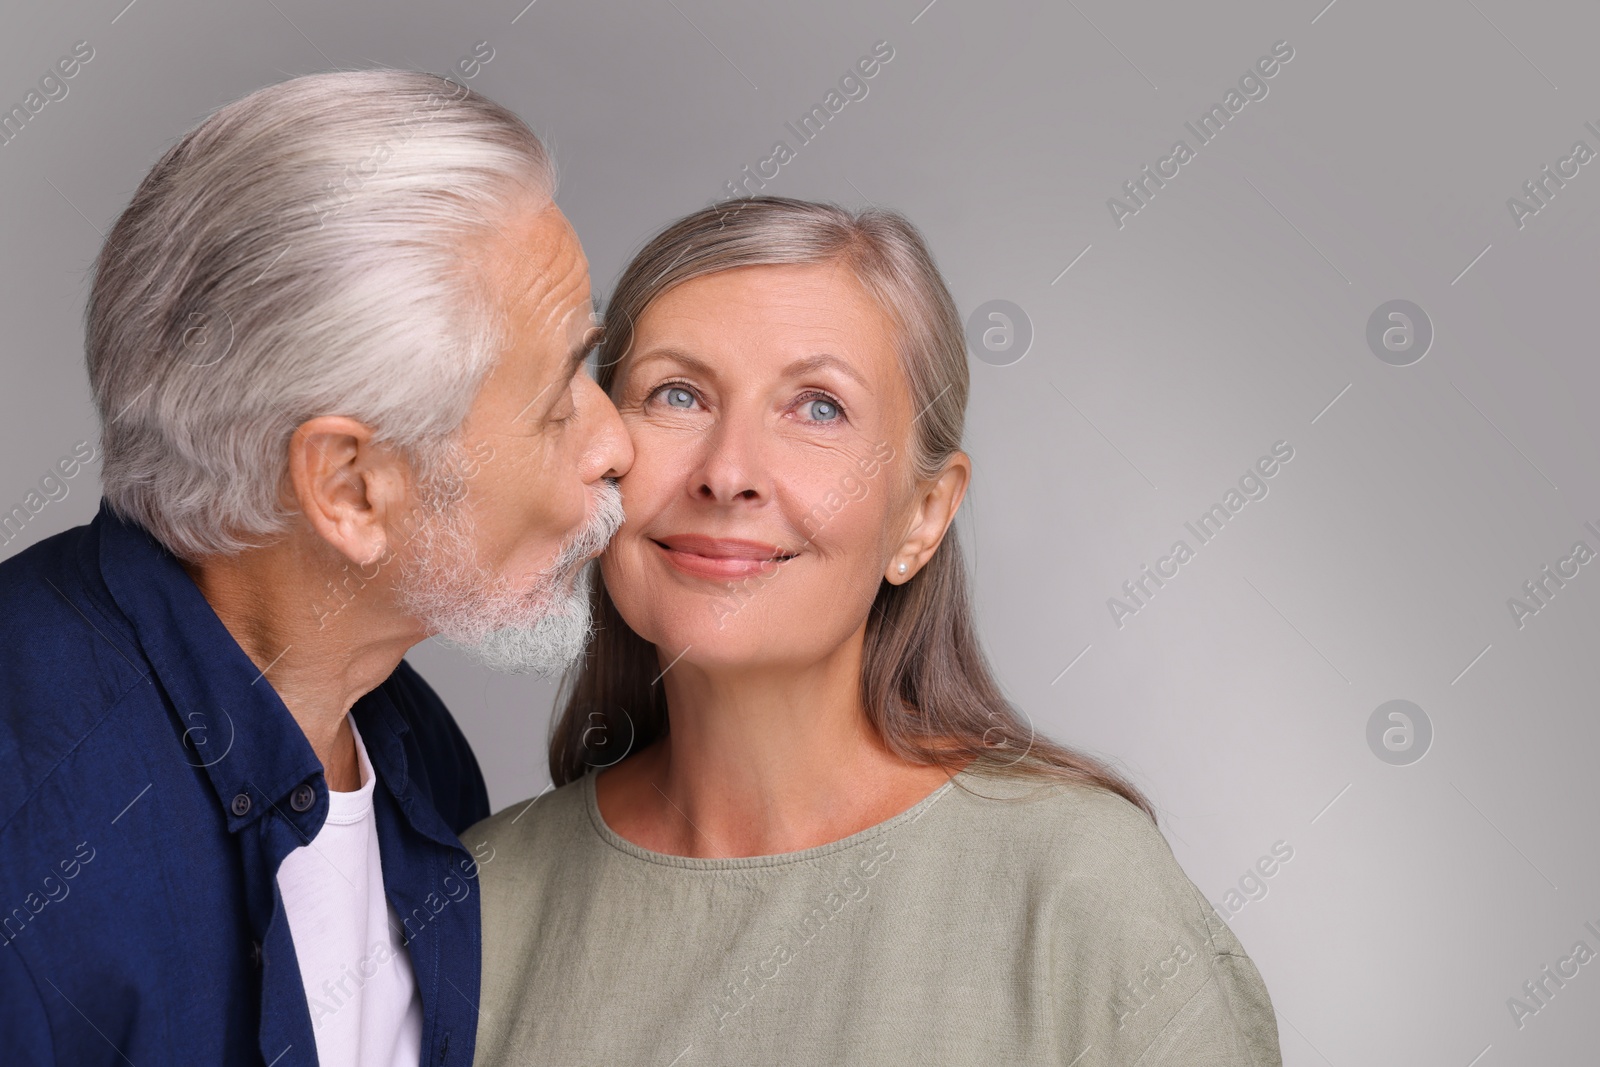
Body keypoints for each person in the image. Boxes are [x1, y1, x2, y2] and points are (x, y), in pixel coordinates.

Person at [469, 196, 1283, 1065]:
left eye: (818, 407)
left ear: (922, 517)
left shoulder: (1083, 895)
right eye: (678, 394)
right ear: (599, 451)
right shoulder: (477, 900)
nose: (729, 472)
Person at [0, 70, 632, 1066]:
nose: (617, 444)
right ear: (348, 487)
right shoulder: (27, 821)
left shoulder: (411, 745)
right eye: (559, 402)